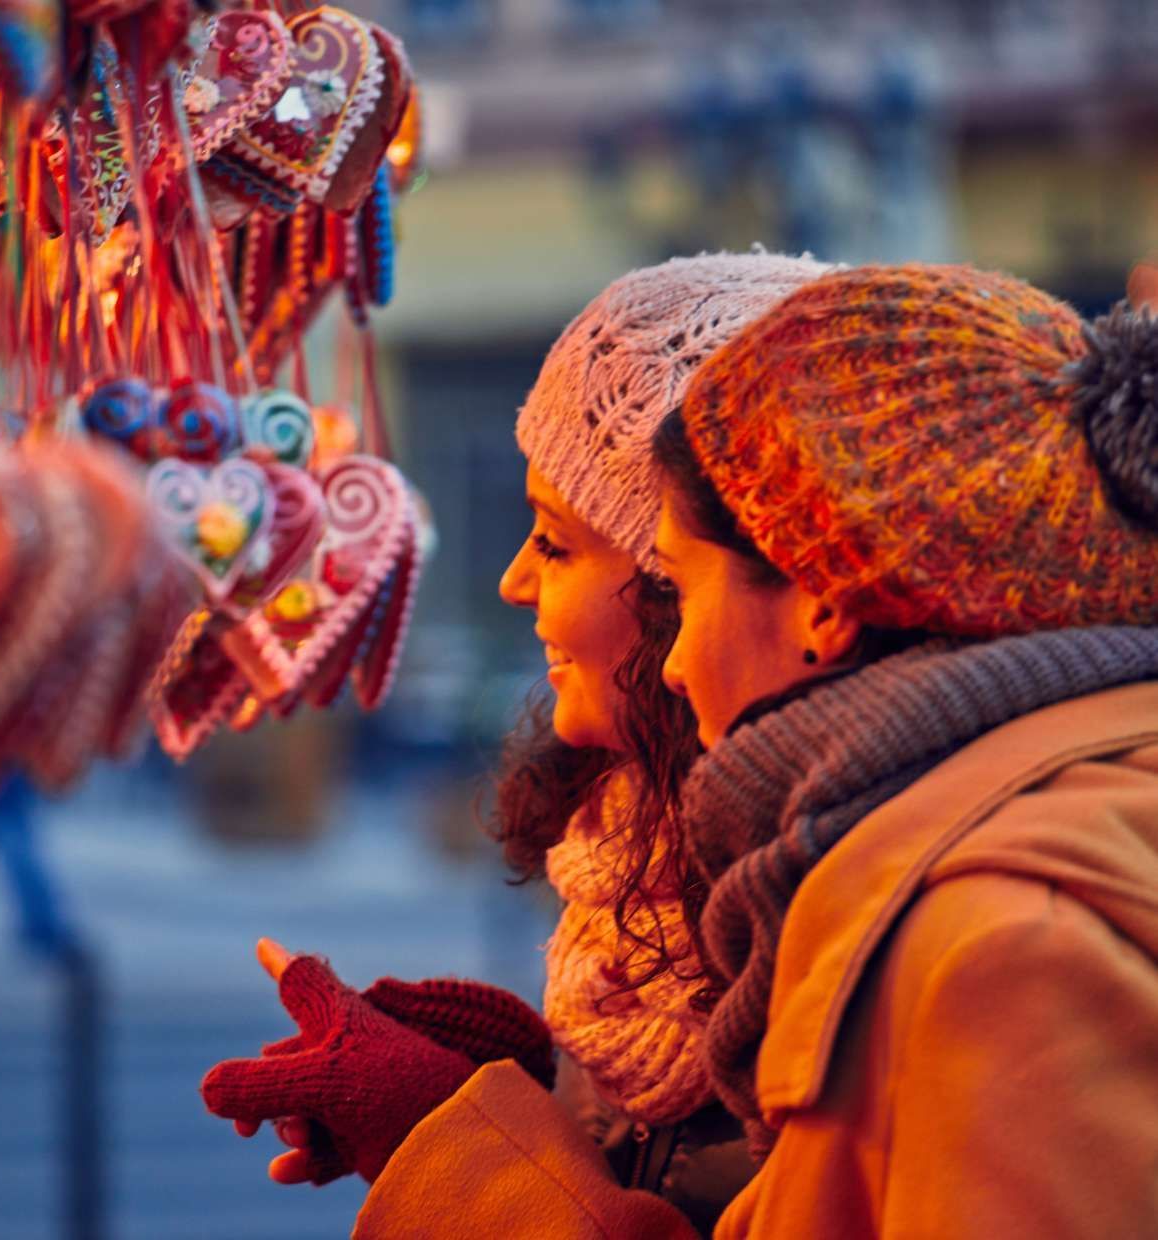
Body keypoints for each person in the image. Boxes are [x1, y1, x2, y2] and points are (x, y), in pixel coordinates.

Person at [353, 262, 1158, 1237]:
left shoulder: (997, 943)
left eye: (683, 591)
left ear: (815, 595)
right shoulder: (890, 868)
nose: (679, 657)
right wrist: (514, 1103)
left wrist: (453, 1164)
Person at [199, 252, 832, 1228]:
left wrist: (443, 1140)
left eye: (552, 541)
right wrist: (508, 1083)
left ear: (683, 579)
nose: (512, 581)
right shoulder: (629, 868)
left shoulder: (832, 917)